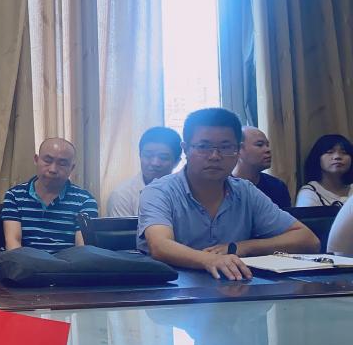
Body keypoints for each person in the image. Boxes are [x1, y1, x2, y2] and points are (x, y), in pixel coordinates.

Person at [138, 108, 319, 280]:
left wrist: (243, 247)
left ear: (238, 150)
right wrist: (209, 260)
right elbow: (160, 246)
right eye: (203, 146)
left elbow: (308, 240)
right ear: (185, 149)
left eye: (225, 147)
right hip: (172, 292)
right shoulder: (159, 191)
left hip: (236, 288)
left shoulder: (245, 191)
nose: (215, 156)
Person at [2, 138, 98, 252]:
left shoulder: (85, 201)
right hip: (24, 260)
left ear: (71, 168)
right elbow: (13, 243)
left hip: (68, 261)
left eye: (62, 164)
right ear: (36, 160)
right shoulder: (14, 196)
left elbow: (82, 249)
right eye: (47, 161)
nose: (53, 169)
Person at [106, 127, 182, 217]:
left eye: (163, 157)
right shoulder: (122, 196)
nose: (154, 163)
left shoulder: (185, 193)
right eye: (148, 155)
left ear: (177, 162)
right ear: (140, 155)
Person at [232, 126, 291, 209]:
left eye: (267, 145)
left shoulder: (277, 187)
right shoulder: (223, 187)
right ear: (239, 149)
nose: (268, 150)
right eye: (260, 145)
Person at [295, 134, 353, 207]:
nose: (337, 156)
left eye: (344, 152)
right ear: (317, 158)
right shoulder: (310, 193)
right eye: (330, 152)